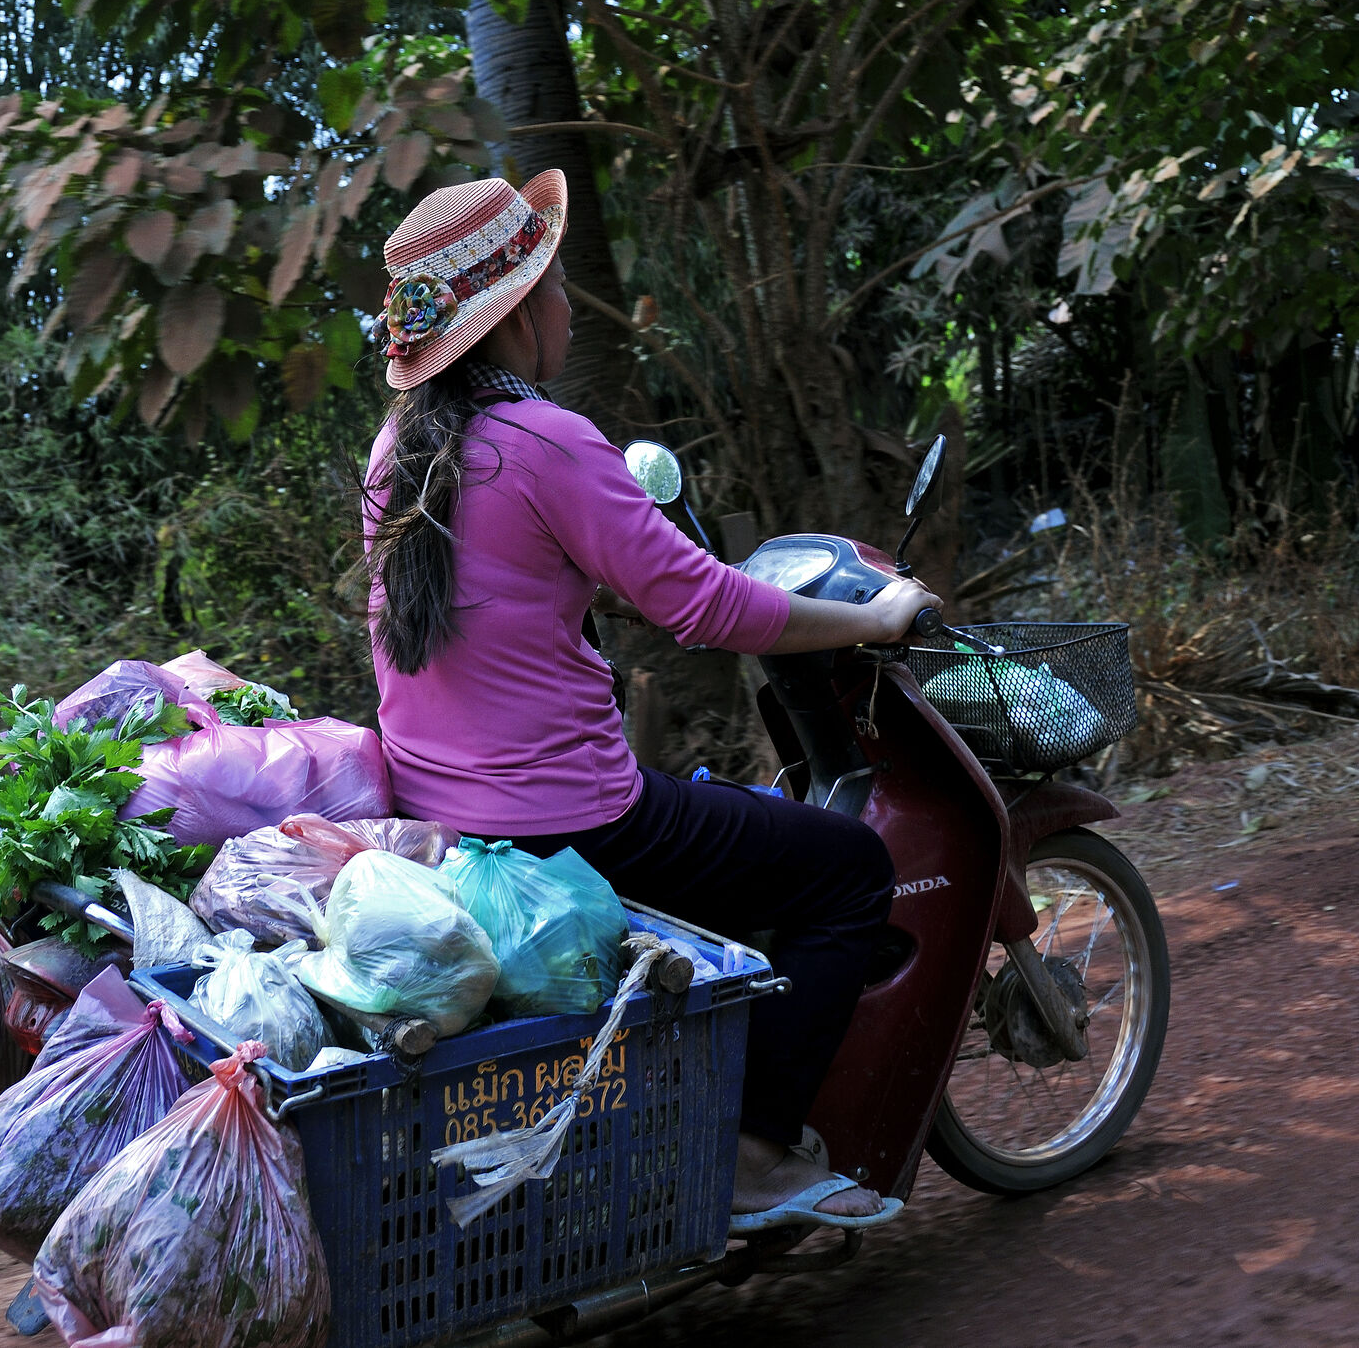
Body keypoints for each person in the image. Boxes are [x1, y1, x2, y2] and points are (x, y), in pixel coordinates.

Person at [361, 171, 942, 1229]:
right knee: (849, 871)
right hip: (570, 818)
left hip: (446, 815)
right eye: (557, 286)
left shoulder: (400, 450)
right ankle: (754, 1152)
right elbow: (708, 604)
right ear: (518, 313)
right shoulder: (548, 439)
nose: (570, 309)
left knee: (738, 836)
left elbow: (491, 605)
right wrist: (874, 617)